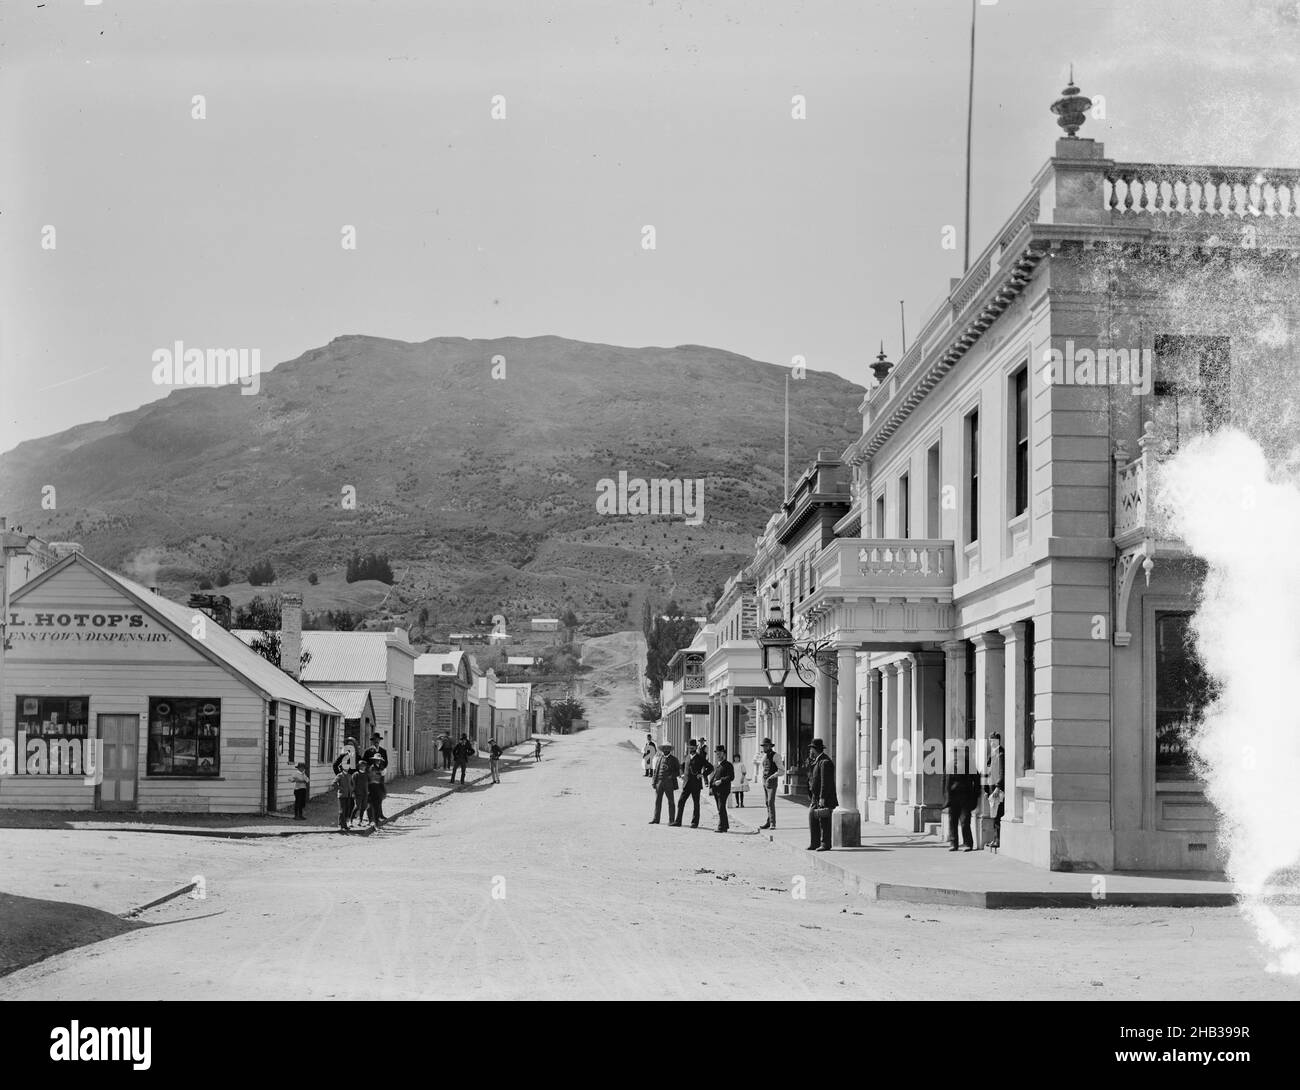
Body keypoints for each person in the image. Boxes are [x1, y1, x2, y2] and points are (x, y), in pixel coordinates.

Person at [673, 741, 713, 828]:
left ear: (696, 747)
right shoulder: (686, 757)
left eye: (692, 747)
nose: (690, 749)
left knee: (696, 803)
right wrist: (682, 774)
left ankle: (694, 823)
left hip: (696, 784)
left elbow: (710, 767)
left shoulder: (700, 757)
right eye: (689, 747)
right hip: (686, 784)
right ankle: (678, 821)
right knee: (681, 802)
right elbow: (681, 766)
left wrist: (703, 774)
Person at [807, 739, 837, 851]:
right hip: (815, 797)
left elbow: (826, 782)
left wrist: (822, 798)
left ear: (815, 749)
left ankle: (825, 844)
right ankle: (814, 842)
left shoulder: (825, 762)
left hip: (823, 797)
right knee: (813, 818)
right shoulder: (817, 761)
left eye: (811, 748)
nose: (810, 751)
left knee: (824, 821)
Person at [944, 759, 978, 852]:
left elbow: (977, 781)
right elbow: (945, 781)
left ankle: (968, 844)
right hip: (953, 798)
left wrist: (975, 796)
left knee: (965, 821)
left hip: (966, 798)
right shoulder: (950, 764)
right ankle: (953, 843)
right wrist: (946, 798)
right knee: (952, 821)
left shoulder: (970, 764)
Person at [983, 732, 1006, 851]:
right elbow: (987, 772)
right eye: (990, 740)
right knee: (993, 813)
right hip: (991, 787)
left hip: (997, 788)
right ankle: (995, 838)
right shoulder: (991, 754)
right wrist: (986, 789)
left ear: (998, 740)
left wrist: (998, 787)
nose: (991, 743)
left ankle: (998, 839)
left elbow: (1002, 772)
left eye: (993, 740)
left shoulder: (1001, 753)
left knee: (998, 814)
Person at [649, 743, 679, 824]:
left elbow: (678, 772)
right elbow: (656, 771)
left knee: (671, 802)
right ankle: (656, 819)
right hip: (659, 782)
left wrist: (671, 776)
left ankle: (671, 820)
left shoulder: (674, 759)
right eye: (664, 748)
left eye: (667, 748)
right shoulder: (659, 758)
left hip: (669, 783)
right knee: (657, 801)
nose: (665, 750)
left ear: (669, 750)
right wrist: (654, 782)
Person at [758, 738, 782, 830]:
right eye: (763, 746)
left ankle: (773, 823)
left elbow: (781, 770)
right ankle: (768, 821)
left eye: (765, 746)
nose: (763, 748)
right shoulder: (764, 756)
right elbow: (763, 768)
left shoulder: (776, 756)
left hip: (771, 781)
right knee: (767, 802)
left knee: (771, 802)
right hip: (765, 781)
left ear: (769, 746)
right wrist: (763, 779)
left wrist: (772, 777)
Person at [709, 745, 734, 833]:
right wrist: (711, 786)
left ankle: (721, 827)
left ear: (724, 754)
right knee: (720, 808)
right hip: (716, 789)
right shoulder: (717, 765)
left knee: (721, 807)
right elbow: (714, 777)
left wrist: (721, 781)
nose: (718, 755)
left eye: (719, 754)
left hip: (724, 789)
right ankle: (725, 825)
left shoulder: (728, 765)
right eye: (717, 754)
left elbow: (731, 777)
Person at [332, 764, 354, 832]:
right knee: (342, 810)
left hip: (348, 795)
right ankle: (340, 825)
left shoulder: (350, 775)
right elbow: (334, 783)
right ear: (342, 768)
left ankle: (344, 825)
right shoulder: (340, 775)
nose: (347, 768)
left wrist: (351, 789)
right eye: (345, 767)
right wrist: (340, 789)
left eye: (347, 767)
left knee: (347, 810)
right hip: (342, 795)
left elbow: (352, 784)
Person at [366, 758, 387, 826]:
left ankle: (376, 818)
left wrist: (383, 790)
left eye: (379, 760)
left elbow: (381, 779)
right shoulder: (372, 768)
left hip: (378, 787)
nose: (378, 761)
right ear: (374, 760)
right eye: (376, 760)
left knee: (378, 804)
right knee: (371, 804)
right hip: (372, 787)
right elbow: (372, 777)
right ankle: (371, 819)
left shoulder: (380, 767)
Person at [351, 760, 369, 828]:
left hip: (365, 793)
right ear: (359, 766)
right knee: (357, 807)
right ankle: (350, 820)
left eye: (364, 766)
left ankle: (360, 821)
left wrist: (368, 791)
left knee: (363, 807)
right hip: (358, 793)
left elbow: (368, 783)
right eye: (361, 766)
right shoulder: (356, 774)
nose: (363, 767)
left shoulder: (366, 774)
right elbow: (353, 784)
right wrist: (353, 792)